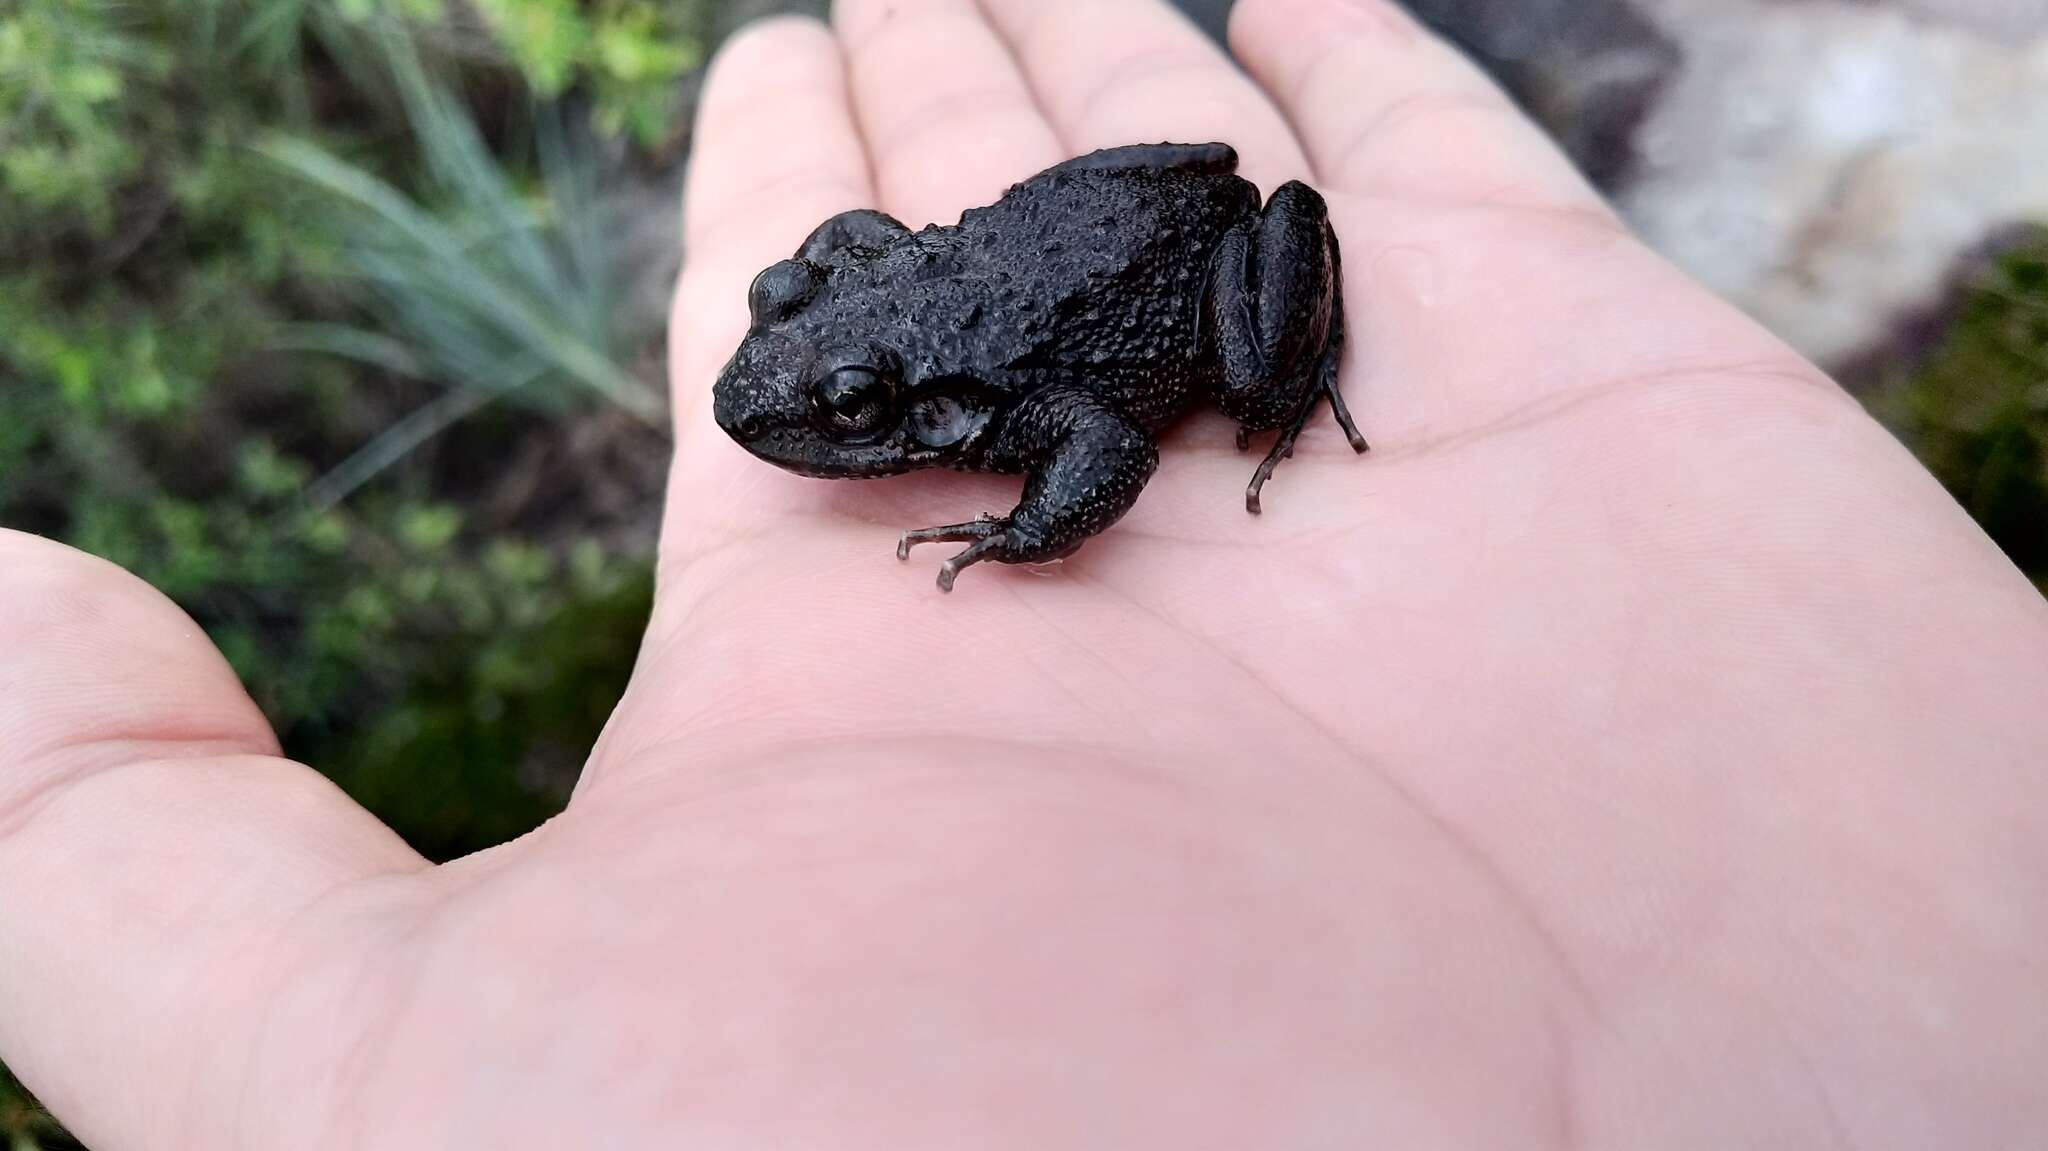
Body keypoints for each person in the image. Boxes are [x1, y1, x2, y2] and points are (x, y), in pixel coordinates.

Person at [4, 0, 2045, 1145]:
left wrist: (1026, 531)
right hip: (1050, 228)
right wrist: (826, 312)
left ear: (907, 405)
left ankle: (1295, 368)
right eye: (812, 395)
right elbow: (840, 265)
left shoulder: (981, 396)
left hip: (1136, 259)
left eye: (846, 413)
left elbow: (1082, 440)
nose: (807, 430)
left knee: (1240, 369)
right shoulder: (866, 321)